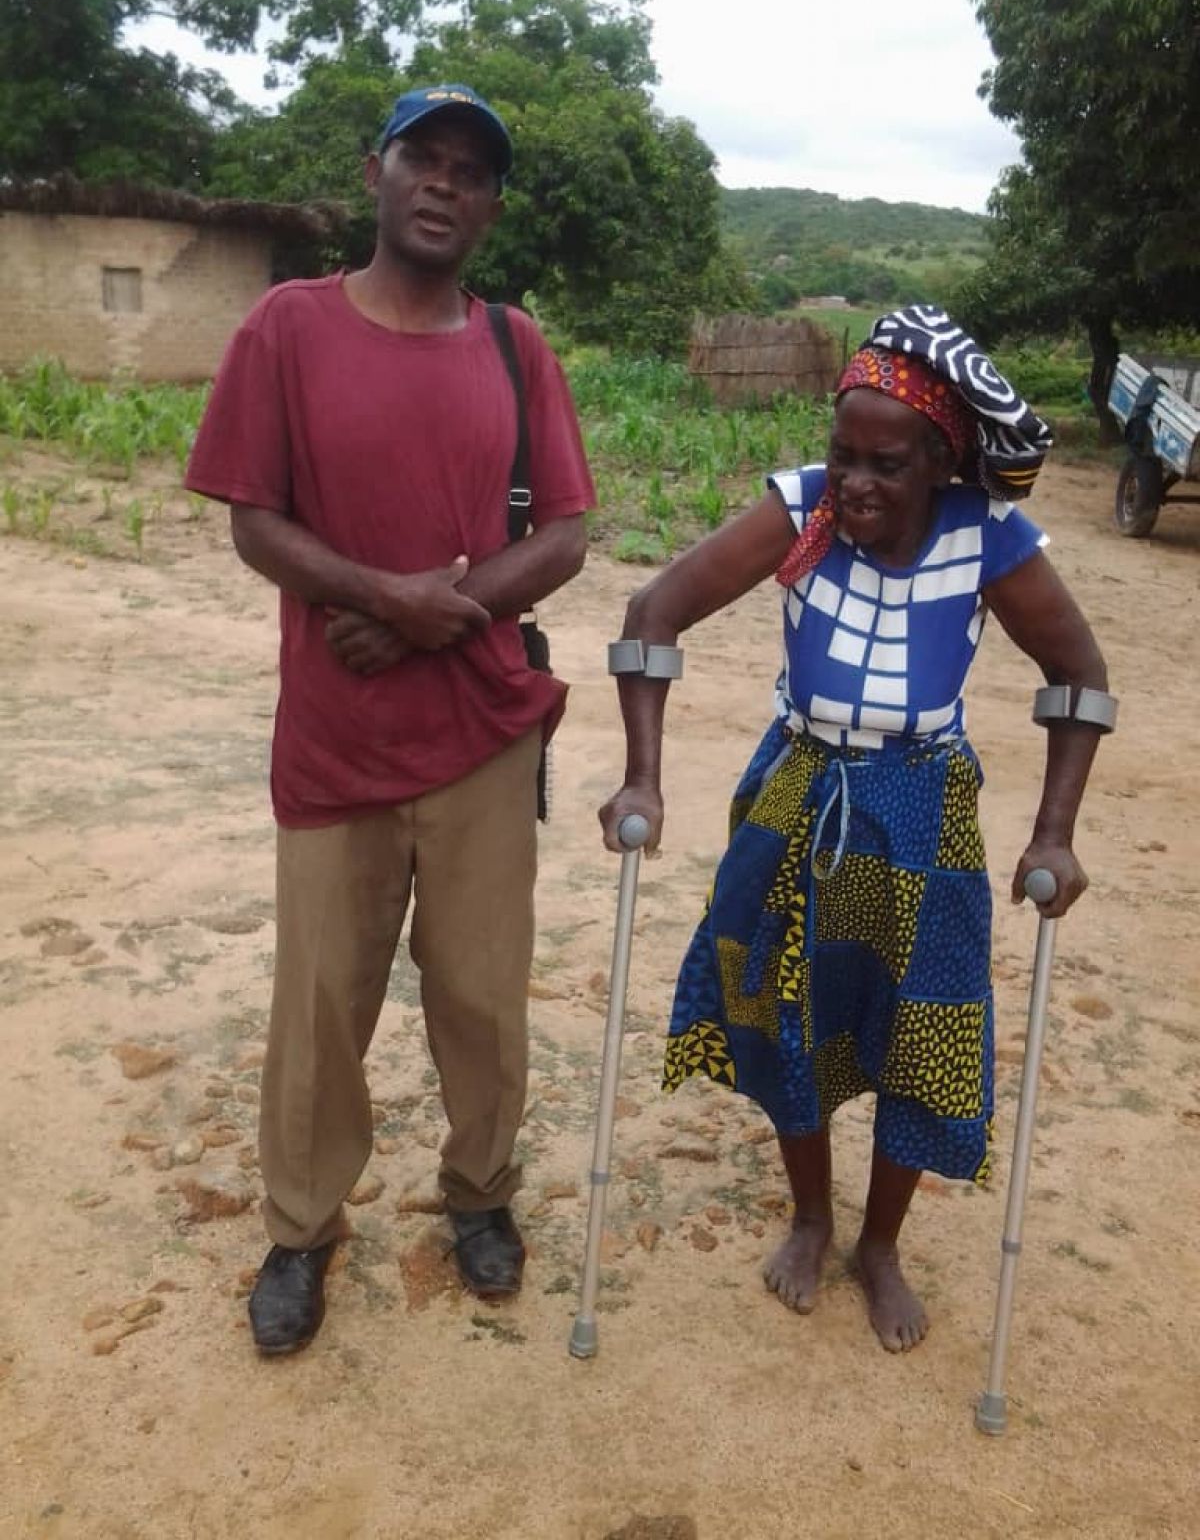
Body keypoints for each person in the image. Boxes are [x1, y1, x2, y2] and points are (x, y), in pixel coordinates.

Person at [599, 306, 1114, 1354]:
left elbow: (1078, 676)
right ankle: (811, 1217)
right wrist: (641, 774)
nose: (857, 484)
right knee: (790, 1008)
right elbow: (653, 613)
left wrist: (1054, 833)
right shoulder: (801, 508)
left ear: (940, 462)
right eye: (844, 456)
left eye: (887, 464)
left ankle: (880, 1245)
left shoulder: (986, 535)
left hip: (924, 803)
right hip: (800, 786)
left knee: (920, 1030)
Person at [186, 84, 595, 1354]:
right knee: (322, 1001)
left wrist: (435, 611)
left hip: (484, 732)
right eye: (426, 156)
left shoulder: (518, 347)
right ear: (378, 171)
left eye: (472, 170)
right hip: (337, 734)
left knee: (481, 991)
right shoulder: (287, 327)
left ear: (491, 207)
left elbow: (566, 535)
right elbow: (254, 518)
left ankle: (479, 1192)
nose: (445, 182)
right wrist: (379, 595)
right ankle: (302, 1225)